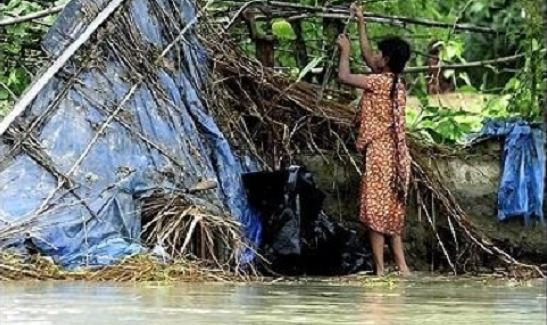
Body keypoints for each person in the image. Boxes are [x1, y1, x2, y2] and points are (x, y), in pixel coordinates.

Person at [336, 3, 411, 276]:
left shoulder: (379, 83)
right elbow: (370, 60)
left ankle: (380, 270)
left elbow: (344, 76)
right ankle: (403, 269)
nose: (375, 55)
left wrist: (345, 51)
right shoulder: (395, 83)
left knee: (376, 211)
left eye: (380, 53)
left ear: (387, 59)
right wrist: (361, 23)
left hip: (380, 153)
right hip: (397, 155)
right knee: (391, 210)